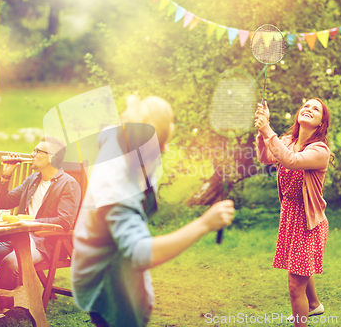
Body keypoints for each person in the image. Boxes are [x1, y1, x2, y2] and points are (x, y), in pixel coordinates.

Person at [71, 96, 236, 327]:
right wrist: (204, 223)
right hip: (106, 286)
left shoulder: (119, 138)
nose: (166, 149)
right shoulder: (118, 187)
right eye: (161, 145)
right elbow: (141, 253)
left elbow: (110, 131)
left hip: (110, 265)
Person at [254, 99, 331, 327]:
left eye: (315, 109)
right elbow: (266, 157)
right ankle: (314, 305)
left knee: (295, 284)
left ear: (320, 123)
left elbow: (290, 160)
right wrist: (261, 132)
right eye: (306, 106)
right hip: (289, 217)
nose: (309, 109)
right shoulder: (288, 141)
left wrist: (267, 128)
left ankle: (304, 316)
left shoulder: (320, 150)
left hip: (309, 223)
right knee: (300, 268)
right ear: (299, 114)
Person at [0, 136, 81, 290]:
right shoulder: (33, 179)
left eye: (37, 151)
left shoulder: (68, 184)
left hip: (45, 243)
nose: (32, 154)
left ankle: (1, 309)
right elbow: (4, 204)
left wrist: (28, 223)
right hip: (16, 238)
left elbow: (64, 221)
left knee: (10, 263)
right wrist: (5, 177)